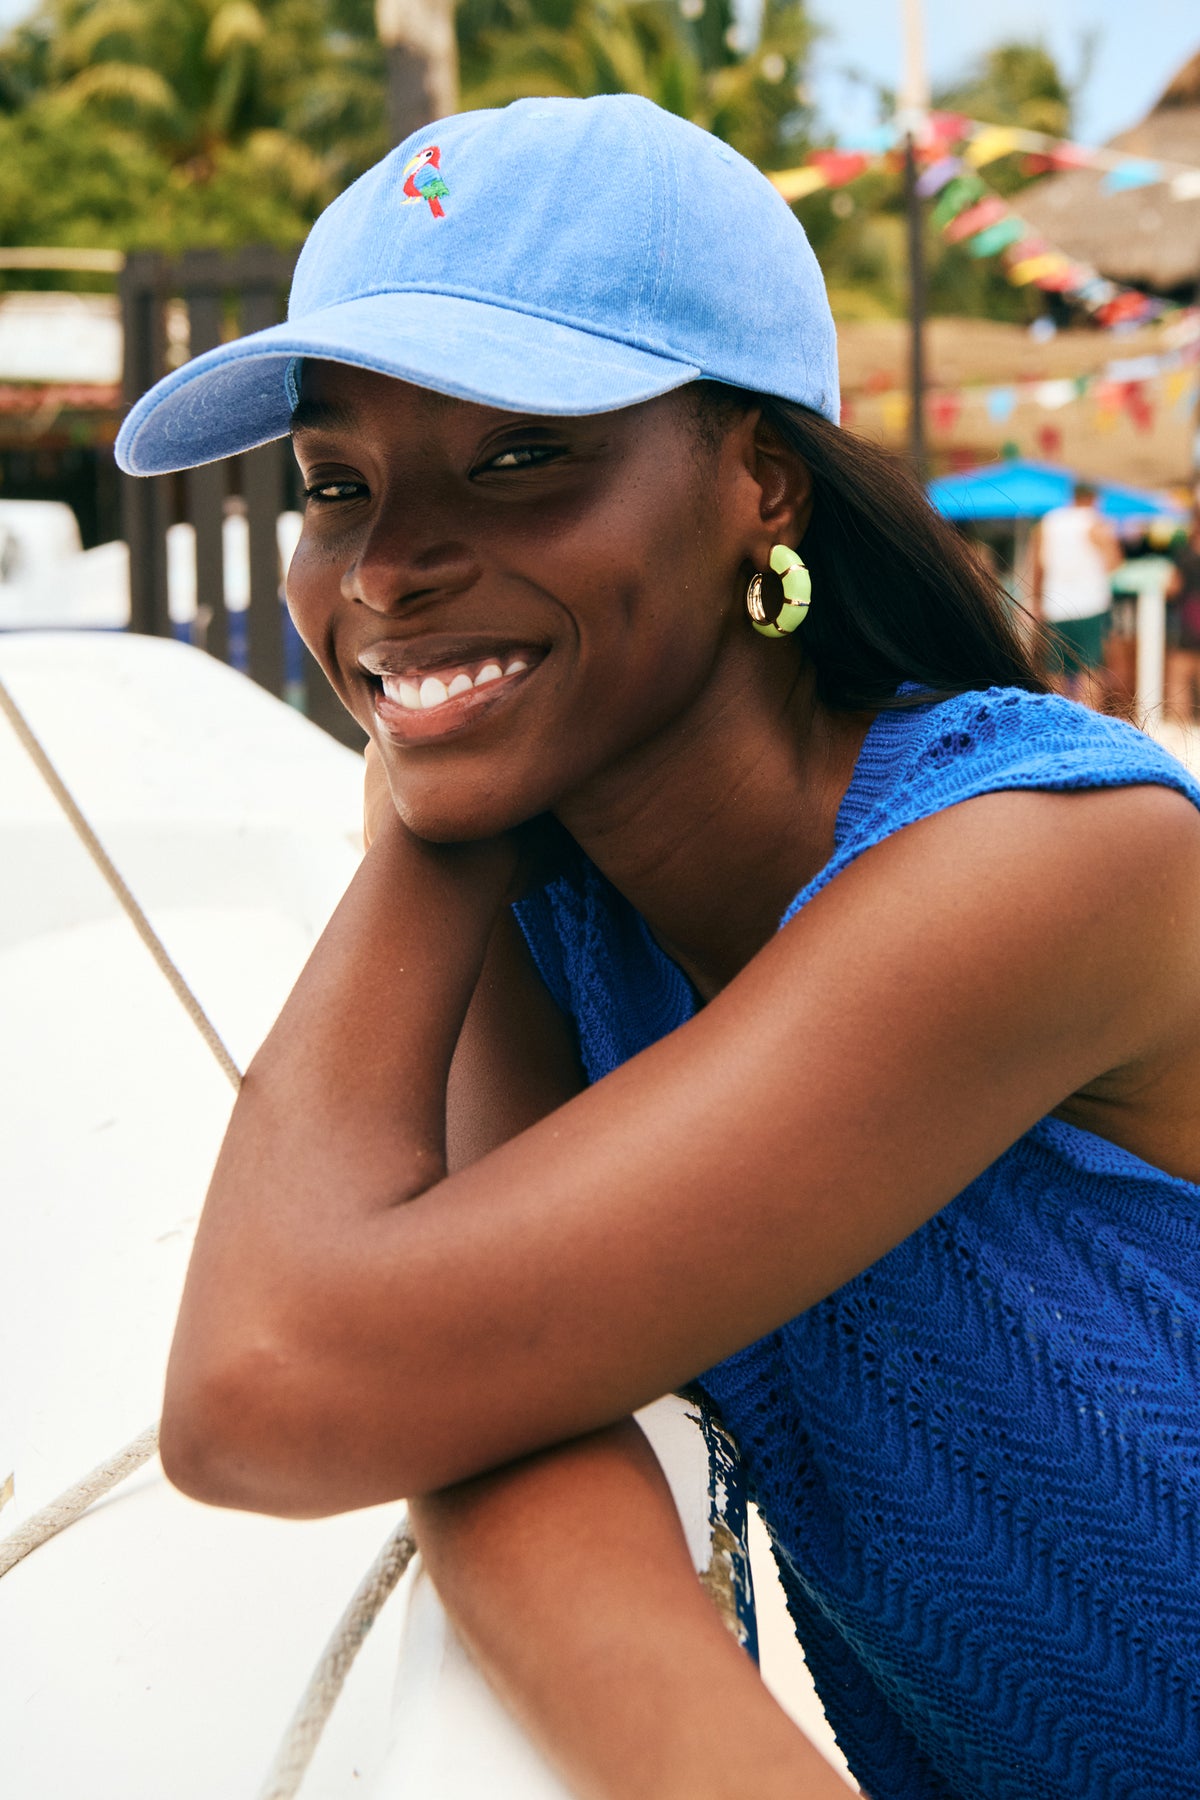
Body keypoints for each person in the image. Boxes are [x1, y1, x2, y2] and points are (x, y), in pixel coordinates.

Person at [116, 96, 1200, 1800]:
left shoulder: (1048, 864)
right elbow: (442, 1404)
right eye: (335, 486)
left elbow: (281, 1377)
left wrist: (425, 790)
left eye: (518, 458)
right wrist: (445, 798)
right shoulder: (555, 925)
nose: (386, 568)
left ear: (763, 483)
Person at [1031, 481, 1122, 707]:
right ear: (1094, 499)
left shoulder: (1048, 522)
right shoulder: (1094, 522)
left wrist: (1036, 600)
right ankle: (1089, 719)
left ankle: (1056, 717)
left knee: (1055, 669)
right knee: (1089, 669)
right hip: (1090, 605)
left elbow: (1037, 567)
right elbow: (1114, 563)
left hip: (1055, 605)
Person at [1167, 502, 1200, 723]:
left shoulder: (1186, 552)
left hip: (1189, 619)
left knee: (1179, 675)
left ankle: (1180, 729)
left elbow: (1172, 587)